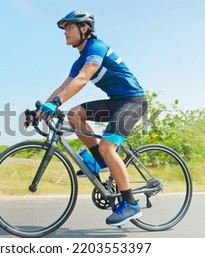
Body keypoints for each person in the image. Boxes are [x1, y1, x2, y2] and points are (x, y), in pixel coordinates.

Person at [37, 11, 148, 227]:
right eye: (64, 28)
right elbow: (63, 86)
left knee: (108, 147)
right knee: (74, 115)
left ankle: (131, 204)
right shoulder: (79, 60)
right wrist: (42, 109)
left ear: (84, 28)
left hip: (133, 101)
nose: (65, 32)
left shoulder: (97, 48)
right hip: (116, 101)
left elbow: (83, 79)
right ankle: (101, 162)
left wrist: (56, 102)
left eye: (69, 27)